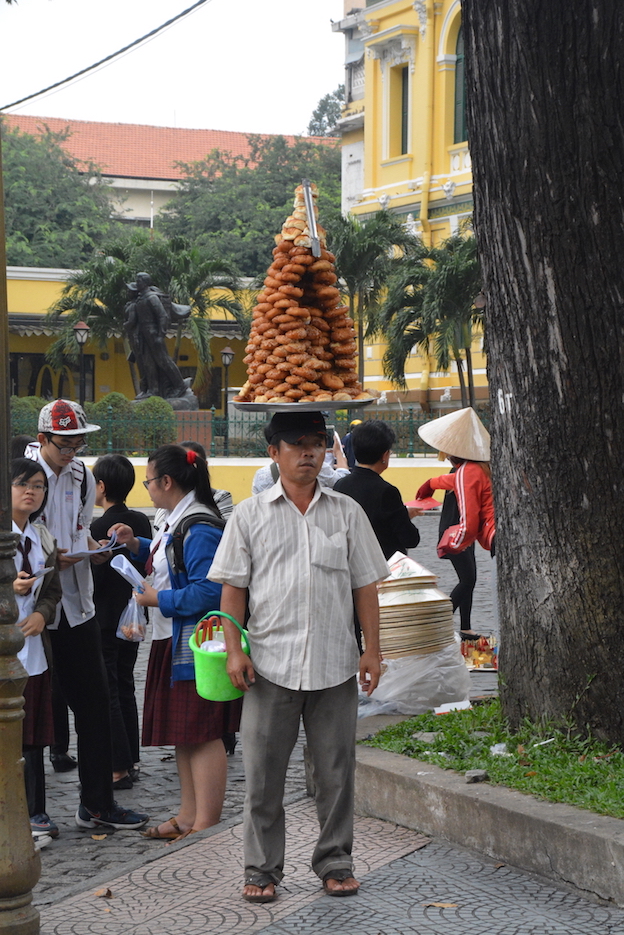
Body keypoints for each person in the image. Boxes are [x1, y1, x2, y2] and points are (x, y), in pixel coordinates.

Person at [209, 410, 389, 903]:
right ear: (274, 453)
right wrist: (233, 651)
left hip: (334, 665)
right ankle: (262, 868)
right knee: (264, 777)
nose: (307, 452)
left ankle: (335, 861)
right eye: (295, 444)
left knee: (335, 772)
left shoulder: (346, 512)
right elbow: (232, 593)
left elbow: (365, 587)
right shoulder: (248, 515)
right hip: (269, 666)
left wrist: (372, 649)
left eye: (314, 443)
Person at [26, 399, 149, 831]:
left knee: (96, 704)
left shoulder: (82, 477)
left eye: (80, 441)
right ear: (43, 439)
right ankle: (32, 812)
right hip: (32, 610)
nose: (73, 449)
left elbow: (79, 529)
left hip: (77, 606)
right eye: (65, 442)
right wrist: (48, 557)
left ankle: (97, 803)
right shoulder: (23, 477)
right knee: (33, 712)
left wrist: (93, 551)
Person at [111, 444, 242, 843]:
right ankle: (188, 815)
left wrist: (159, 600)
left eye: (149, 481)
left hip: (195, 643)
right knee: (185, 732)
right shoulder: (174, 518)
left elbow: (211, 590)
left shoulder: (199, 526)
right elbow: (168, 564)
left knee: (203, 732)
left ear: (167, 481)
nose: (147, 489)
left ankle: (207, 820)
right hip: (174, 639)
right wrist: (136, 546)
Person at [90, 455, 152, 789]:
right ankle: (132, 755)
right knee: (126, 684)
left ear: (101, 486)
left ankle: (118, 766)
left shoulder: (99, 527)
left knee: (110, 688)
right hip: (134, 614)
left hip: (105, 616)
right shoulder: (141, 520)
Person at [11, 457, 62, 841]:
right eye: (22, 484)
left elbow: (54, 590)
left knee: (35, 737)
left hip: (35, 653)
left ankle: (36, 813)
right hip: (6, 654)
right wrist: (8, 591)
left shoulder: (42, 538)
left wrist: (43, 614)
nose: (31, 491)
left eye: (39, 486)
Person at [416, 407, 495, 639]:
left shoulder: (466, 472)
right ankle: (439, 624)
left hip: (462, 533)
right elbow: (447, 483)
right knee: (468, 579)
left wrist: (430, 483)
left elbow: (444, 482)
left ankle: (465, 626)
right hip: (456, 533)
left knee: (469, 579)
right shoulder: (468, 471)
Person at [334, 420, 420, 559]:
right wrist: (405, 516)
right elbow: (410, 539)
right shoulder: (387, 491)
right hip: (382, 566)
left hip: (350, 562)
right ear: (384, 456)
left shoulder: (340, 485)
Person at [251, 427, 349, 494]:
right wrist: (339, 454)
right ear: (274, 452)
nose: (309, 452)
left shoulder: (347, 512)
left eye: (317, 444)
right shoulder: (246, 513)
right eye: (297, 443)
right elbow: (343, 482)